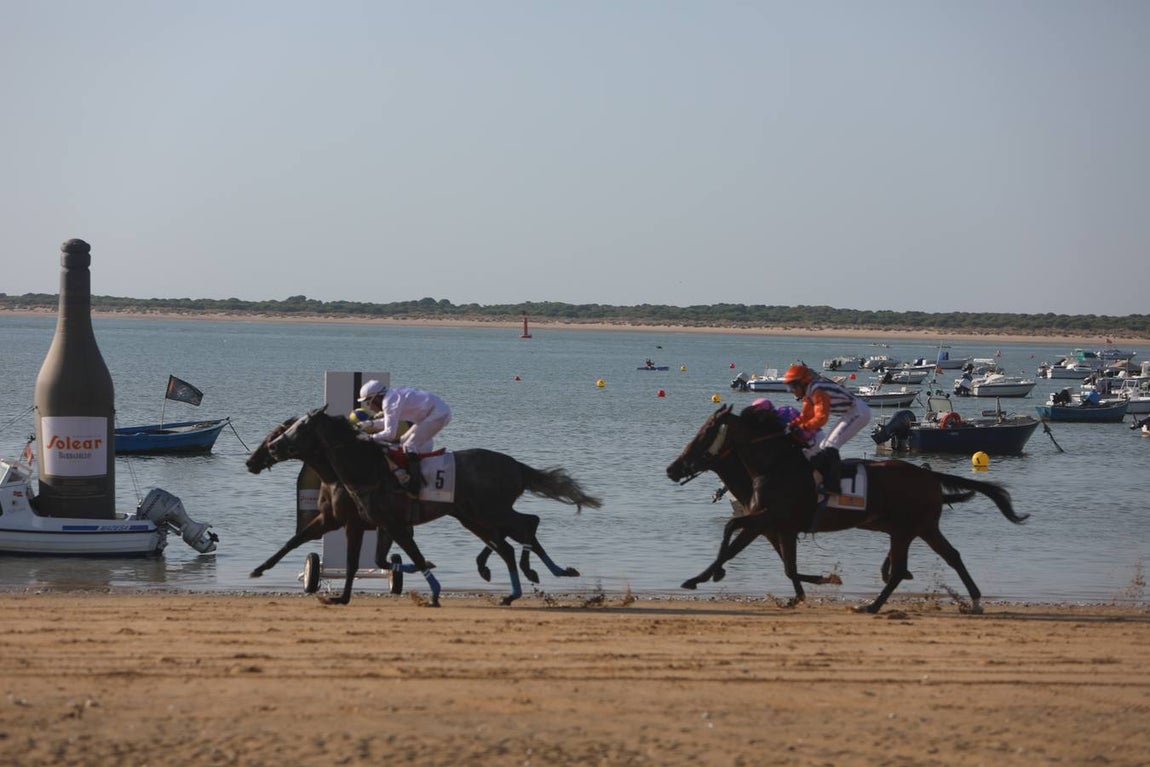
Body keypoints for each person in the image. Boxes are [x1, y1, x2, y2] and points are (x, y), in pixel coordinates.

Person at [782, 363, 871, 493]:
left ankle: (834, 486)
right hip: (850, 412)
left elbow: (821, 418)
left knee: (830, 445)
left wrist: (802, 428)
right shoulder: (808, 393)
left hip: (859, 411)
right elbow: (806, 416)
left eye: (792, 386)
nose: (791, 391)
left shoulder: (817, 391)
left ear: (802, 383)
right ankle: (826, 478)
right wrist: (791, 425)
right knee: (824, 445)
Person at [356, 379, 452, 494]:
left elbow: (390, 434)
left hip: (438, 413)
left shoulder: (389, 402)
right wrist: (368, 424)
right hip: (433, 413)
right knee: (403, 440)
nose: (369, 407)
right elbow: (389, 422)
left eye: (368, 402)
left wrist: (370, 438)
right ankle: (412, 474)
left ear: (376, 398)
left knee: (410, 445)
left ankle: (415, 485)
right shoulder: (391, 398)